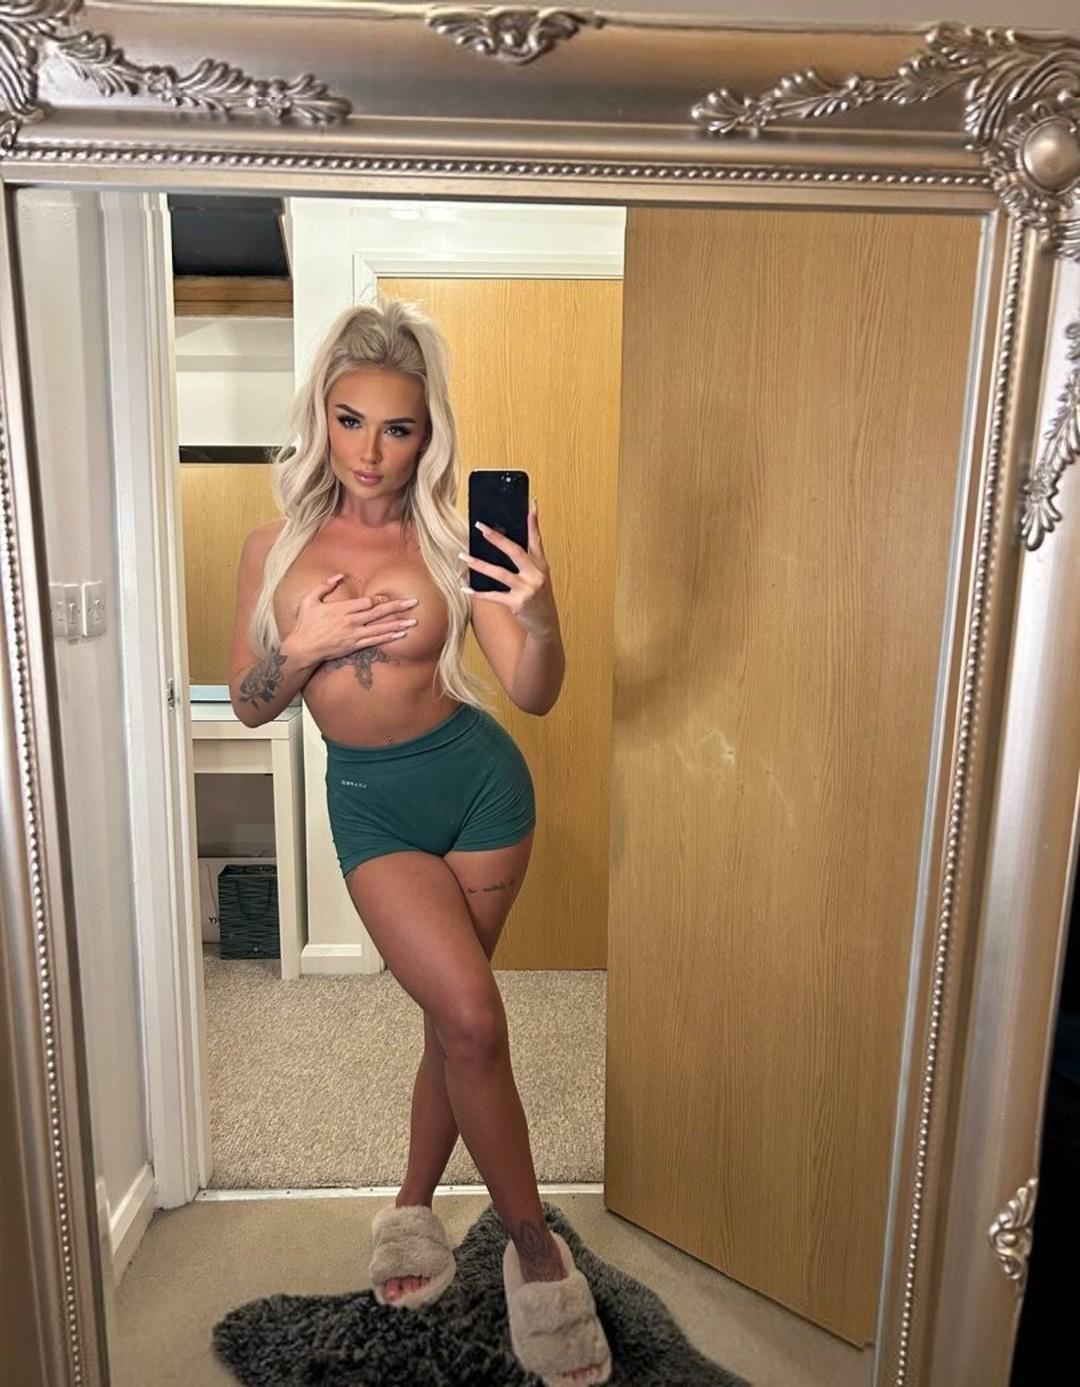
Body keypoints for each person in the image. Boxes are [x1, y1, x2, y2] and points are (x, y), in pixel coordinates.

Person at [227, 296, 611, 1385]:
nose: (371, 451)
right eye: (350, 420)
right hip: (375, 810)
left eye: (397, 428)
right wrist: (303, 642)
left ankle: (411, 1207)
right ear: (323, 417)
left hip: (481, 792)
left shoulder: (453, 542)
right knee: (474, 1017)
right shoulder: (273, 548)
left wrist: (540, 612)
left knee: (456, 1021)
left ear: (426, 434)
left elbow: (534, 692)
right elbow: (250, 703)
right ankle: (537, 1252)